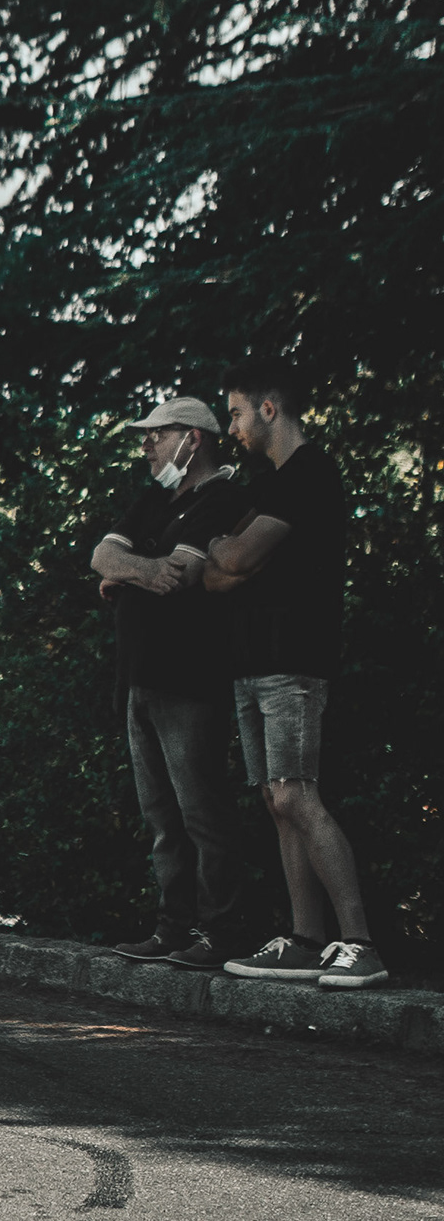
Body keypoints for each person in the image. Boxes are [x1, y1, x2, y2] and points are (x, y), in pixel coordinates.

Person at [205, 368, 386, 988]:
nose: (231, 427)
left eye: (236, 413)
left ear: (269, 408)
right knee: (275, 802)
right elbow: (217, 577)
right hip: (251, 664)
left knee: (295, 795)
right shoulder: (268, 485)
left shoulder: (310, 474)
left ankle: (361, 945)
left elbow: (232, 558)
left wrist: (229, 552)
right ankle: (306, 942)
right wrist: (231, 558)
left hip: (294, 662)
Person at [91, 395, 248, 968]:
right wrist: (141, 570)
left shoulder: (223, 497)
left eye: (157, 435)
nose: (146, 446)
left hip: (189, 678)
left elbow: (181, 574)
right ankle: (172, 928)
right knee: (161, 819)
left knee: (202, 813)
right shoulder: (155, 499)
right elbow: (102, 556)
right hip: (139, 678)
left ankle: (219, 933)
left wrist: (127, 574)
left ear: (193, 438)